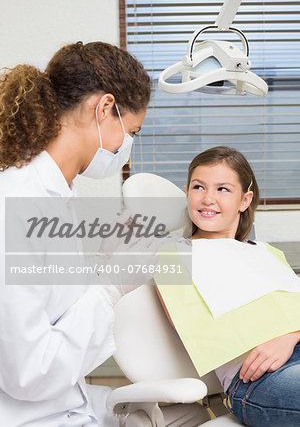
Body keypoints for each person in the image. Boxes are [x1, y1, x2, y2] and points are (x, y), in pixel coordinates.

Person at [0, 41, 154, 426]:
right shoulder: (20, 200)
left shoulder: (56, 194)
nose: (126, 150)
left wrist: (102, 263)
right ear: (103, 108)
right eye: (131, 131)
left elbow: (51, 304)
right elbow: (29, 373)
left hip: (65, 403)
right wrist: (112, 285)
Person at [158, 146, 300, 426]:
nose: (208, 198)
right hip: (257, 380)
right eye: (199, 187)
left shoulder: (266, 252)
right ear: (187, 192)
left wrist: (290, 335)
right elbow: (194, 329)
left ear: (245, 200)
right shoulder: (174, 256)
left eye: (223, 189)